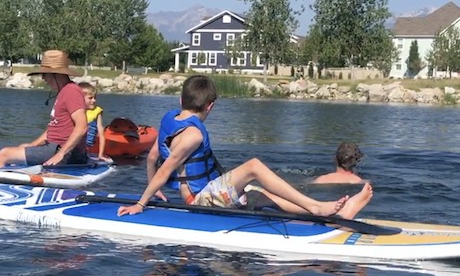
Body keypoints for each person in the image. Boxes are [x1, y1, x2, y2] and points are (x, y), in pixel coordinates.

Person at [117, 74, 373, 219]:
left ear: (180, 98)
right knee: (253, 166)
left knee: (262, 193)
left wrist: (154, 192)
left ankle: (327, 212)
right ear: (211, 106)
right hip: (199, 200)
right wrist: (142, 203)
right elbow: (166, 169)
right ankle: (317, 207)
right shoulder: (193, 135)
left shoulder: (169, 119)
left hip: (207, 193)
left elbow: (153, 159)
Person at [0, 50, 88, 171]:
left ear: (56, 74)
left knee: (5, 153)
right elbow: (54, 128)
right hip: (54, 148)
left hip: (64, 152)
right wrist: (33, 145)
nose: (43, 78)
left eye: (45, 74)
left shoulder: (72, 91)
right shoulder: (64, 91)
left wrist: (60, 154)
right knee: (18, 149)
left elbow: (82, 127)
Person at [78, 81, 112, 163]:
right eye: (90, 98)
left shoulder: (97, 112)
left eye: (95, 97)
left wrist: (100, 155)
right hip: (75, 147)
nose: (94, 100)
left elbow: (101, 134)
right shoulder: (76, 111)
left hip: (87, 147)